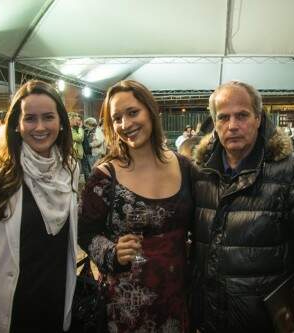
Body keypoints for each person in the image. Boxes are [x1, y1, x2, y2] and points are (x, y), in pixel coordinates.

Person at [190, 81, 294, 332]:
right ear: (214, 123)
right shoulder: (200, 174)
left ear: (259, 119)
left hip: (267, 321)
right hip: (210, 320)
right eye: (223, 117)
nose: (232, 125)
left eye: (242, 115)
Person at [0, 80, 79, 332]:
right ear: (17, 124)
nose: (40, 127)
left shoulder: (70, 170)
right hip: (11, 310)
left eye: (48, 117)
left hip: (56, 304)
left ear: (62, 122)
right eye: (30, 118)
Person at [79, 80, 193, 332]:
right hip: (124, 308)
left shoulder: (185, 167)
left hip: (177, 299)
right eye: (116, 118)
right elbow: (84, 231)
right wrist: (111, 254)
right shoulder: (105, 175)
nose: (125, 124)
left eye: (132, 112)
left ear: (151, 111)